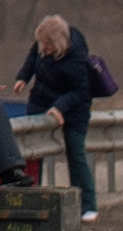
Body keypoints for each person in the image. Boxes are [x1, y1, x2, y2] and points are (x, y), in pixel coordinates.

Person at [13, 14, 114, 219]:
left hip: (74, 107)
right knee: (31, 150)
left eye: (48, 46)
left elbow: (80, 92)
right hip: (41, 98)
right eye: (41, 45)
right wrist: (23, 77)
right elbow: (33, 56)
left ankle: (87, 206)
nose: (44, 49)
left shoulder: (77, 58)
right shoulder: (42, 44)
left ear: (59, 45)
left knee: (75, 153)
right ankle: (30, 199)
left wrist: (59, 107)